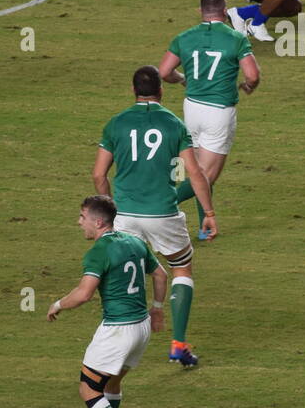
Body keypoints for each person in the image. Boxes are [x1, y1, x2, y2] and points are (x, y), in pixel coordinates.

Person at [92, 67, 215, 368]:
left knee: (123, 274)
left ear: (133, 91)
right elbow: (196, 173)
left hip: (124, 214)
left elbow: (98, 174)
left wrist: (110, 205)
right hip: (162, 212)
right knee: (182, 270)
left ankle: (118, 341)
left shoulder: (116, 124)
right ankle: (178, 345)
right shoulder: (174, 124)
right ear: (160, 90)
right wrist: (209, 213)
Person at [50, 195, 167, 408]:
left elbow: (84, 294)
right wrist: (158, 308)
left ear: (99, 221)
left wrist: (57, 305)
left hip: (117, 330)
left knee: (89, 388)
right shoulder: (136, 242)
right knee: (111, 384)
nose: (79, 223)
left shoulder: (99, 251)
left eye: (83, 217)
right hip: (141, 328)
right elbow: (160, 274)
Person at [159, 0, 261, 241]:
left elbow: (164, 72)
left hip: (192, 108)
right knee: (204, 175)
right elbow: (253, 75)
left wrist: (183, 79)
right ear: (225, 11)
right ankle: (157, 205)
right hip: (219, 113)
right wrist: (249, 87)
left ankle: (203, 226)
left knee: (193, 167)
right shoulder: (236, 38)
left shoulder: (184, 37)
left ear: (200, 12)